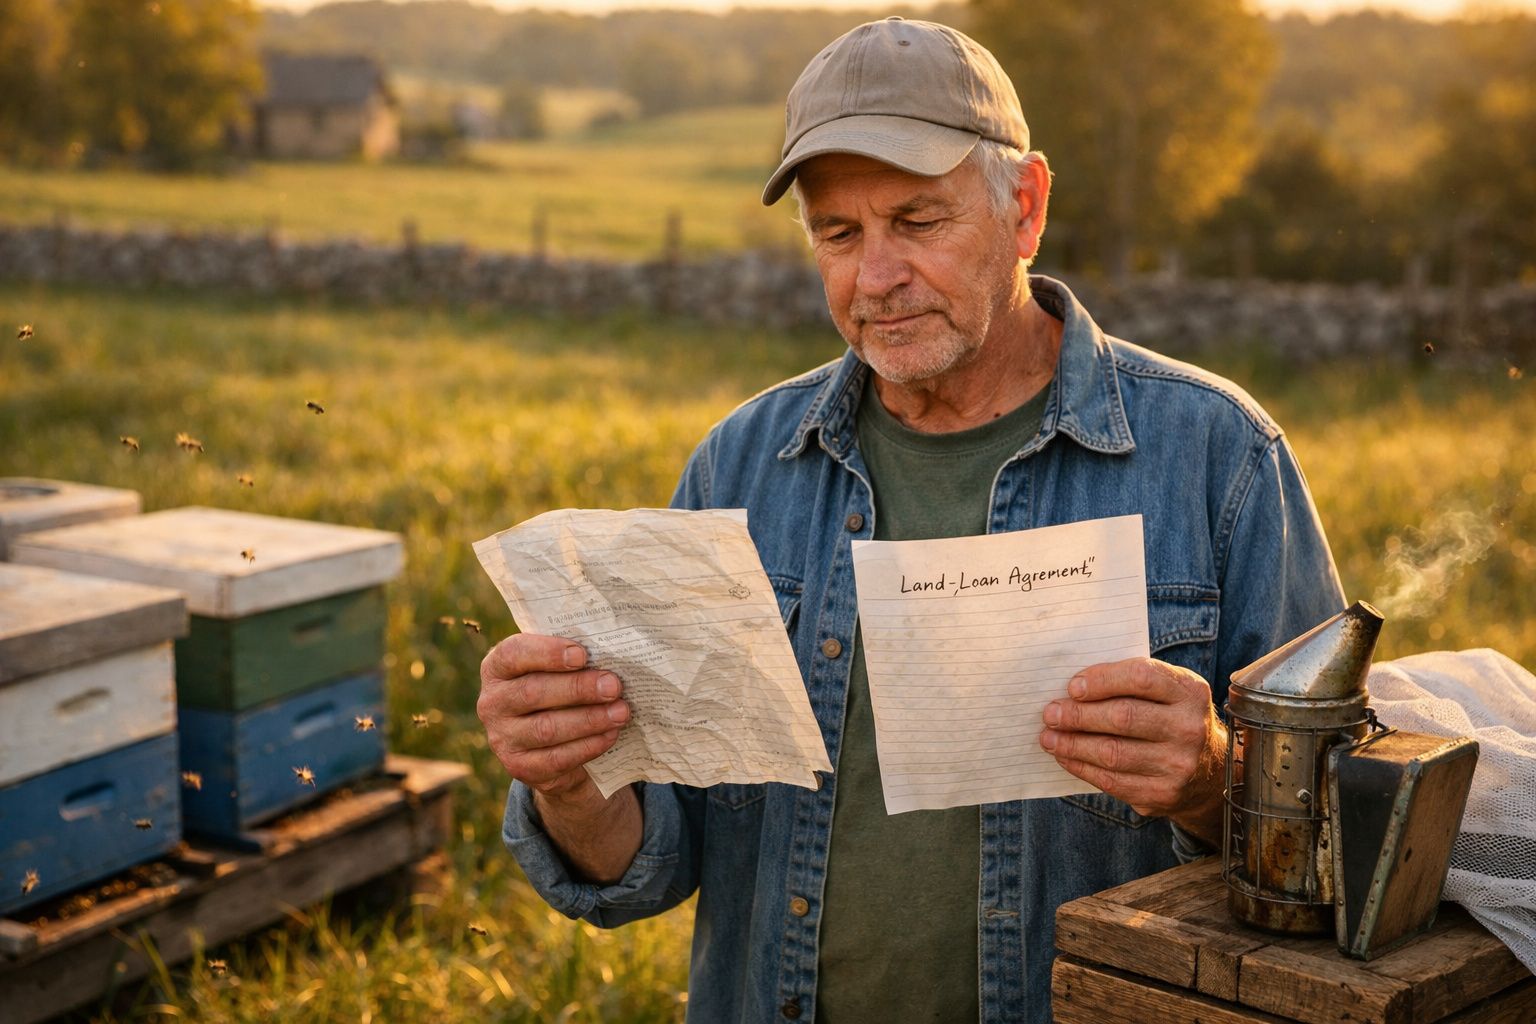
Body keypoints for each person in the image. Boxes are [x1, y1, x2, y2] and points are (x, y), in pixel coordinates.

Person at [478, 17, 1344, 1023]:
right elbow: (652, 860)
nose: (874, 277)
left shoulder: (1219, 456)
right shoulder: (740, 466)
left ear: (1025, 208)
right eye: (838, 235)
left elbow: (1350, 841)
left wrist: (1213, 778)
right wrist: (571, 780)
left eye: (918, 221)